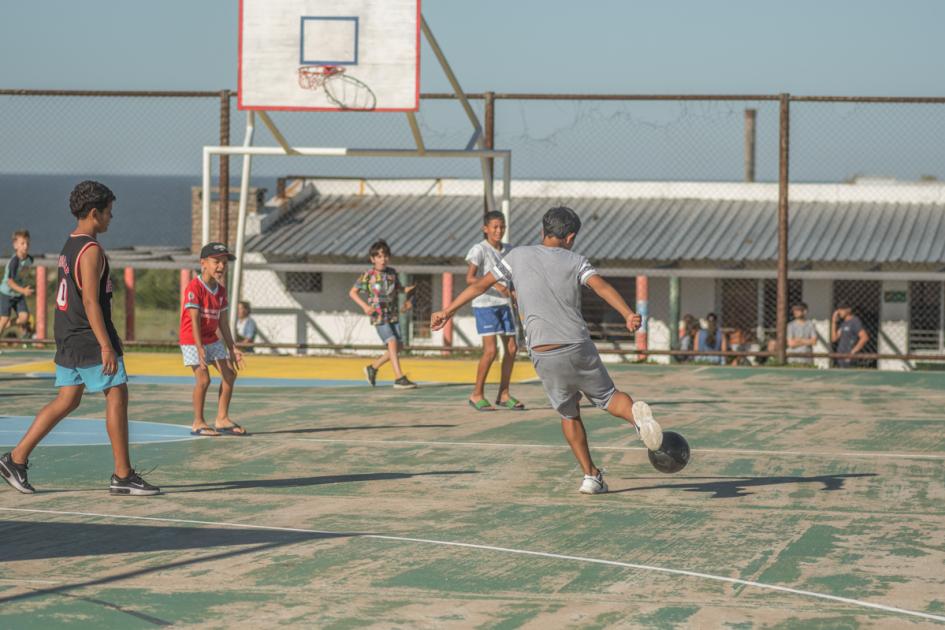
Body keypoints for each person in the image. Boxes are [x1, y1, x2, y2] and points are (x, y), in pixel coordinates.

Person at [431, 206, 663, 495]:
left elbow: (480, 285)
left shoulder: (516, 256)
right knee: (608, 397)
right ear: (571, 236)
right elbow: (601, 287)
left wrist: (447, 311)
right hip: (577, 344)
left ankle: (591, 476)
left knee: (569, 414)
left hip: (543, 350)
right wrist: (628, 313)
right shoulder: (576, 261)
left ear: (542, 231)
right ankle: (637, 420)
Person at [0, 181, 159, 495]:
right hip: (87, 336)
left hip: (68, 333)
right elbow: (90, 301)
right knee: (116, 393)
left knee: (67, 399)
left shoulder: (70, 244)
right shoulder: (91, 250)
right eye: (109, 212)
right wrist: (105, 345)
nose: (112, 218)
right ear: (94, 213)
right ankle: (123, 475)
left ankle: (15, 460)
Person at [180, 242, 247, 436]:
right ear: (203, 263)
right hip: (192, 339)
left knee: (229, 374)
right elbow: (193, 319)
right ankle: (198, 422)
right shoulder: (194, 288)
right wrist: (199, 347)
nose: (221, 266)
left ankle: (222, 419)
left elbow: (223, 323)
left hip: (211, 338)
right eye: (216, 261)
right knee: (203, 379)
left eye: (224, 263)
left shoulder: (221, 291)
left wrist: (233, 348)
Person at [465, 210, 523, 411]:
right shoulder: (479, 249)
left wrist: (515, 293)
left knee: (512, 349)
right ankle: (476, 394)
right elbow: (470, 278)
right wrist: (496, 286)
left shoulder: (509, 250)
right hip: (485, 304)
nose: (499, 230)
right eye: (495, 227)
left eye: (502, 226)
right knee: (490, 351)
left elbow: (513, 278)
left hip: (504, 305)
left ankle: (503, 394)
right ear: (486, 229)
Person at [349, 239, 417, 389]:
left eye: (385, 256)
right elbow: (353, 293)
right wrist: (365, 307)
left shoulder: (392, 273)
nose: (383, 259)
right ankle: (399, 378)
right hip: (378, 315)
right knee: (392, 342)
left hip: (392, 314)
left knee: (399, 346)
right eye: (379, 256)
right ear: (373, 259)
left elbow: (398, 289)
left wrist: (409, 291)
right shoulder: (368, 275)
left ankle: (372, 367)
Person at [0, 229, 35, 339]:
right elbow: (10, 282)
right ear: (15, 245)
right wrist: (23, 291)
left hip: (18, 294)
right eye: (22, 243)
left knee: (24, 317)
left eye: (27, 243)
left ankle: (9, 323)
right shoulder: (14, 262)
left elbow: (21, 275)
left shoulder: (30, 259)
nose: (25, 246)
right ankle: (5, 322)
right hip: (6, 293)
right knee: (4, 319)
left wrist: (22, 289)